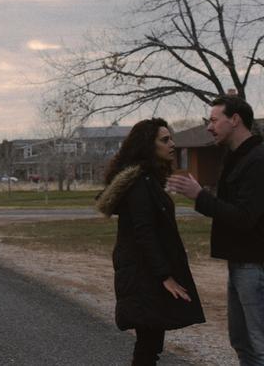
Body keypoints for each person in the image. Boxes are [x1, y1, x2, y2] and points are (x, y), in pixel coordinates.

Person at [96, 118, 205, 365]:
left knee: (150, 344)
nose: (172, 144)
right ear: (148, 145)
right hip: (143, 275)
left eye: (171, 138)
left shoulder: (148, 180)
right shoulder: (140, 184)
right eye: (165, 140)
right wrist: (165, 276)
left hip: (145, 273)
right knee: (149, 345)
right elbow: (144, 233)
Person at [167, 95, 264, 365]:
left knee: (259, 344)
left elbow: (245, 217)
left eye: (213, 120)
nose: (209, 127)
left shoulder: (258, 160)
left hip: (256, 266)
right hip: (240, 263)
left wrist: (200, 196)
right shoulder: (236, 157)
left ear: (234, 120)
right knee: (242, 342)